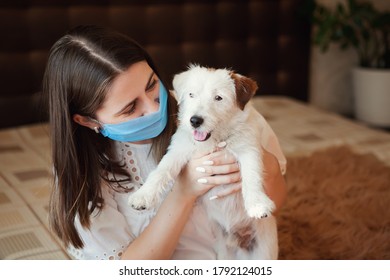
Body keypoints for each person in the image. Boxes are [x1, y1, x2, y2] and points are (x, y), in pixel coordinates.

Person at [43, 25, 287, 260]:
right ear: (87, 120)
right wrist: (184, 192)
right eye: (130, 108)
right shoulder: (82, 175)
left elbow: (273, 205)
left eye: (151, 85)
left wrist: (266, 164)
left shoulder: (226, 114)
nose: (154, 107)